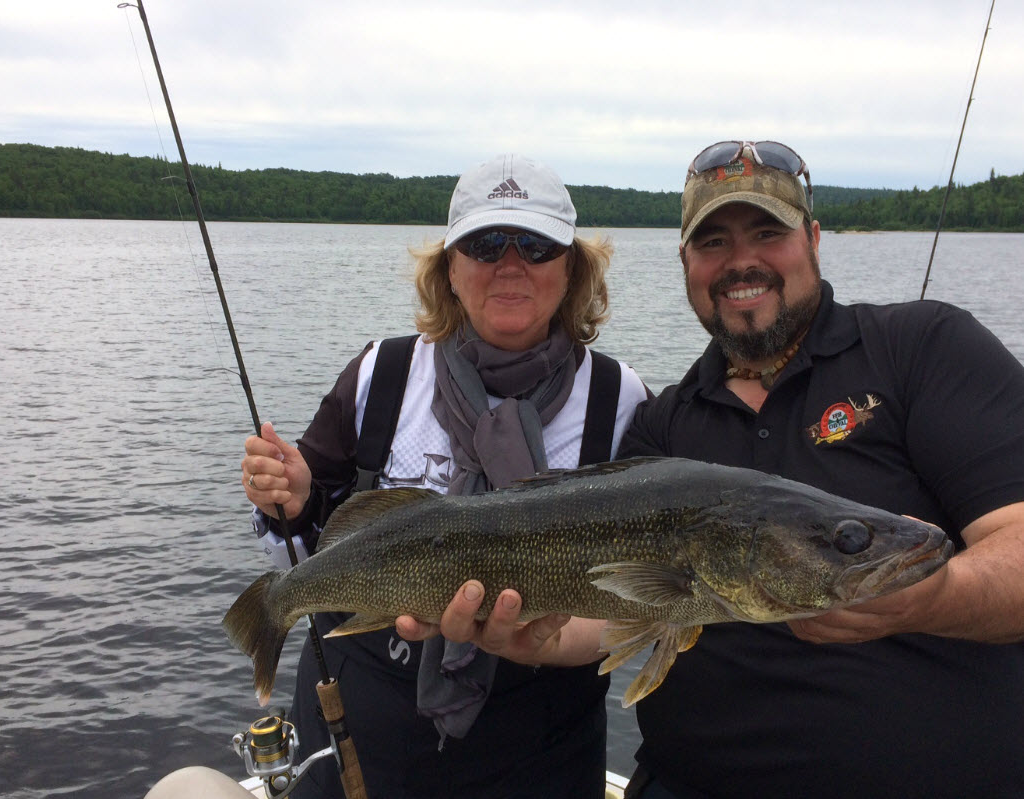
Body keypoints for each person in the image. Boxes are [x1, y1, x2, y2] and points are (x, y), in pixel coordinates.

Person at [401, 140, 1024, 798]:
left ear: (812, 238)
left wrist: (931, 598)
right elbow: (612, 613)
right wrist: (527, 637)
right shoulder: (663, 424)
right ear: (687, 263)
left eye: (767, 232)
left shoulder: (921, 348)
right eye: (713, 242)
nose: (741, 261)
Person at [240, 153, 650, 799]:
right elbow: (308, 536)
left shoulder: (620, 398)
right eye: (485, 243)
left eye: (537, 245)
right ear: (450, 269)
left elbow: (639, 580)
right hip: (366, 707)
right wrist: (289, 498)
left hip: (544, 728)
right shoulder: (384, 372)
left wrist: (543, 639)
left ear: (571, 268)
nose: (510, 263)